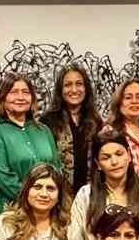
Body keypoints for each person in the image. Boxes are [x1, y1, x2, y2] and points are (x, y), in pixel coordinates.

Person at [0, 74, 60, 223]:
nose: (21, 97)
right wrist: (34, 198)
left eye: (26, 92)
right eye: (14, 92)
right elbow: (1, 178)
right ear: (3, 98)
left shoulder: (43, 130)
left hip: (47, 210)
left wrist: (50, 198)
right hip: (12, 212)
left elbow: (56, 169)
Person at [40, 64, 103, 194]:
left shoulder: (95, 121)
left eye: (79, 84)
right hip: (58, 194)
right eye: (68, 85)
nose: (74, 90)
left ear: (86, 88)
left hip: (90, 193)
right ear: (60, 90)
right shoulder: (48, 121)